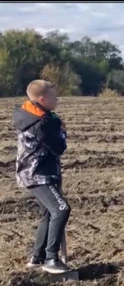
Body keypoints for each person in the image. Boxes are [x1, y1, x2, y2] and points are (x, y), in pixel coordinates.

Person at [15, 80, 71, 274]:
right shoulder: (40, 125)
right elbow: (59, 147)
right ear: (42, 99)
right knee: (61, 209)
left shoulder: (33, 115)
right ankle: (51, 258)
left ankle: (37, 258)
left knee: (48, 213)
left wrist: (56, 125)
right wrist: (62, 133)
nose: (57, 100)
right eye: (54, 97)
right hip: (37, 175)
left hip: (36, 172)